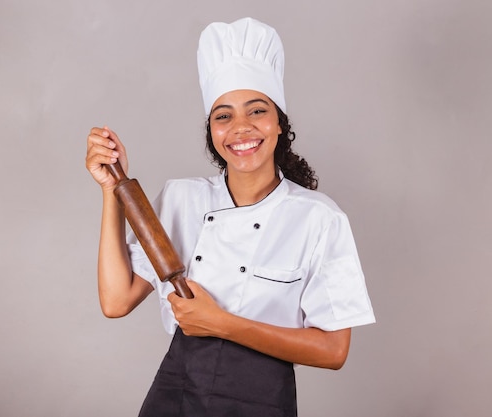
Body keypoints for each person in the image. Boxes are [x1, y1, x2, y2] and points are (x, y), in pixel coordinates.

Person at [85, 17, 375, 417]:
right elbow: (116, 301)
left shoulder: (318, 218)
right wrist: (110, 190)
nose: (240, 128)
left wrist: (221, 323)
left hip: (260, 401)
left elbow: (333, 350)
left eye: (257, 111)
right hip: (177, 393)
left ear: (278, 124)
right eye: (223, 116)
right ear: (212, 130)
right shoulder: (181, 198)